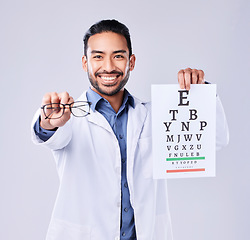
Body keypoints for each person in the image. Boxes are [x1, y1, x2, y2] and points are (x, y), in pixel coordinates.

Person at [31, 19, 229, 240]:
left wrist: (201, 95)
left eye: (118, 56)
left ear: (131, 62)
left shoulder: (155, 115)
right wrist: (48, 122)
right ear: (85, 63)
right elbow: (50, 133)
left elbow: (215, 140)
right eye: (98, 56)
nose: (108, 66)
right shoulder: (69, 117)